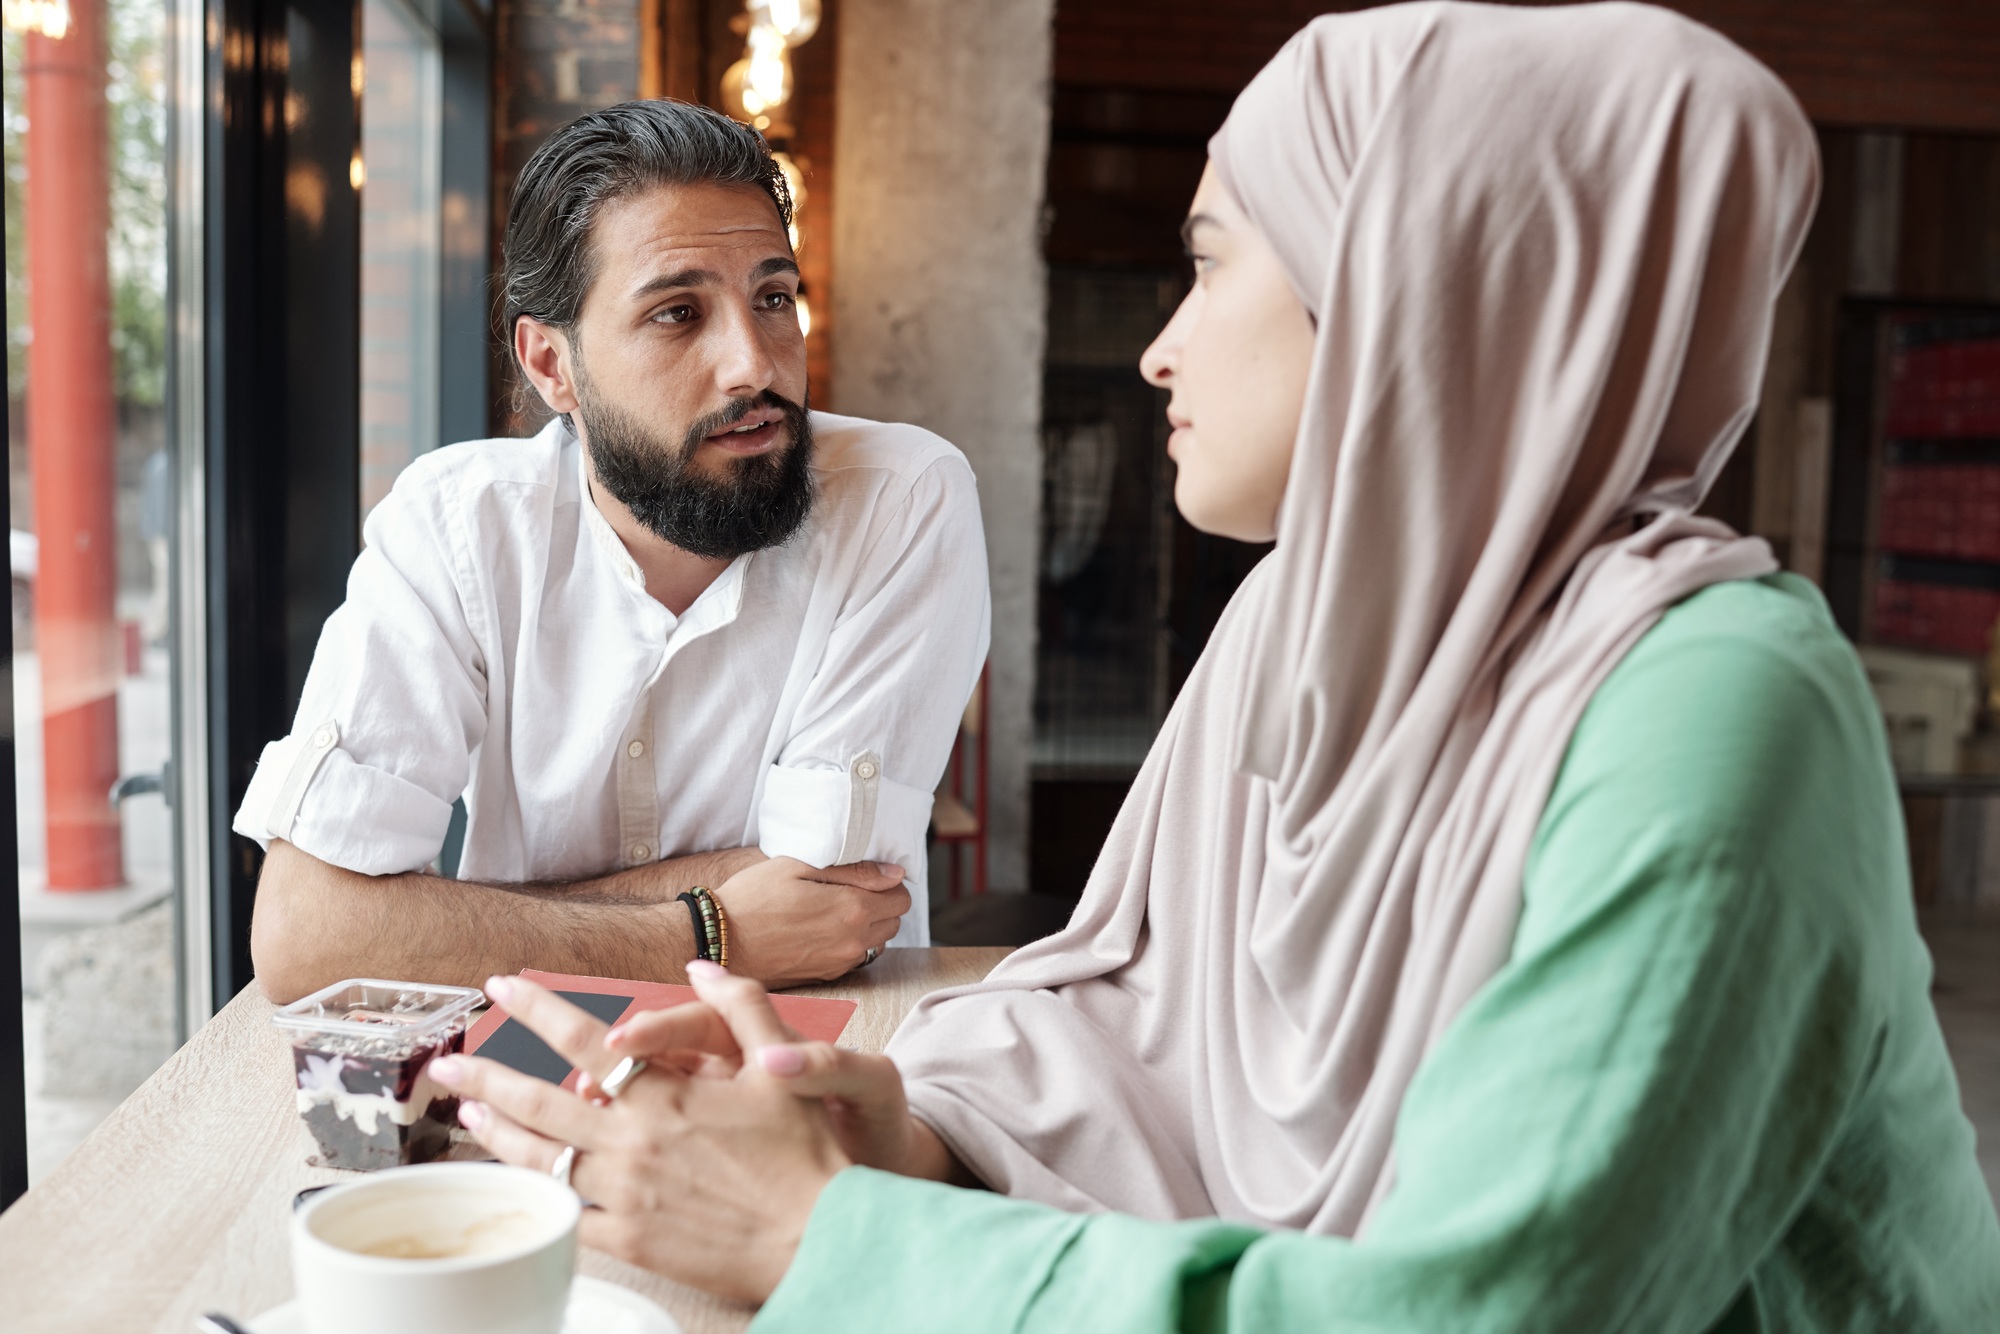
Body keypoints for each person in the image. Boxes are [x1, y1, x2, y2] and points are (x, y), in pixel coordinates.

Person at [428, 4, 2000, 1329]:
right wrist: (887, 1132)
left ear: (1400, 289)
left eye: (1210, 263)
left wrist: (825, 1235)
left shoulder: (1717, 701)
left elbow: (1479, 1309)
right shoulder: (1296, 621)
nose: (1158, 347)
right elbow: (1142, 1028)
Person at [240, 101, 989, 1004]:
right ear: (551, 366)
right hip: (523, 1049)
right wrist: (707, 931)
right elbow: (307, 935)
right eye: (678, 313)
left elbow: (829, 908)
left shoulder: (901, 498)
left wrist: (444, 924)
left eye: (773, 299)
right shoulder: (459, 526)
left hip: (807, 1038)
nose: (754, 365)